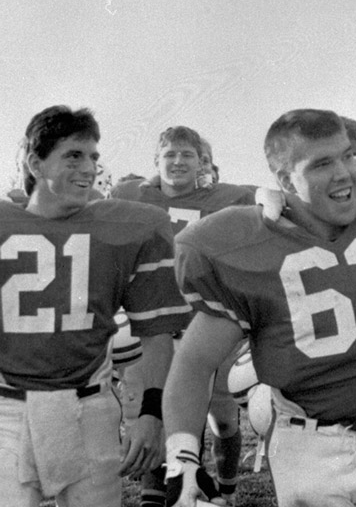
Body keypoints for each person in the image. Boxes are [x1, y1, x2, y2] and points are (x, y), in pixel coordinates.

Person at [163, 109, 356, 507]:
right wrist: (183, 462)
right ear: (284, 179)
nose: (344, 173)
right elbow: (193, 363)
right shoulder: (247, 242)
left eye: (347, 155)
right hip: (307, 446)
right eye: (322, 164)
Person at [0, 105, 191, 507]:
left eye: (93, 157)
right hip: (7, 412)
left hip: (90, 408)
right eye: (73, 155)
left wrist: (151, 413)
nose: (88, 168)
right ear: (35, 162)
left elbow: (156, 334)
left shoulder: (128, 226)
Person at [109, 125, 257, 506]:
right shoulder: (132, 194)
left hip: (206, 324)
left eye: (187, 155)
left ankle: (227, 489)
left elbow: (269, 202)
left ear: (202, 161)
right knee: (156, 410)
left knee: (222, 419)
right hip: (156, 324)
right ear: (156, 161)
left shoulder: (228, 197)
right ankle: (156, 493)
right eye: (170, 154)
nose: (178, 162)